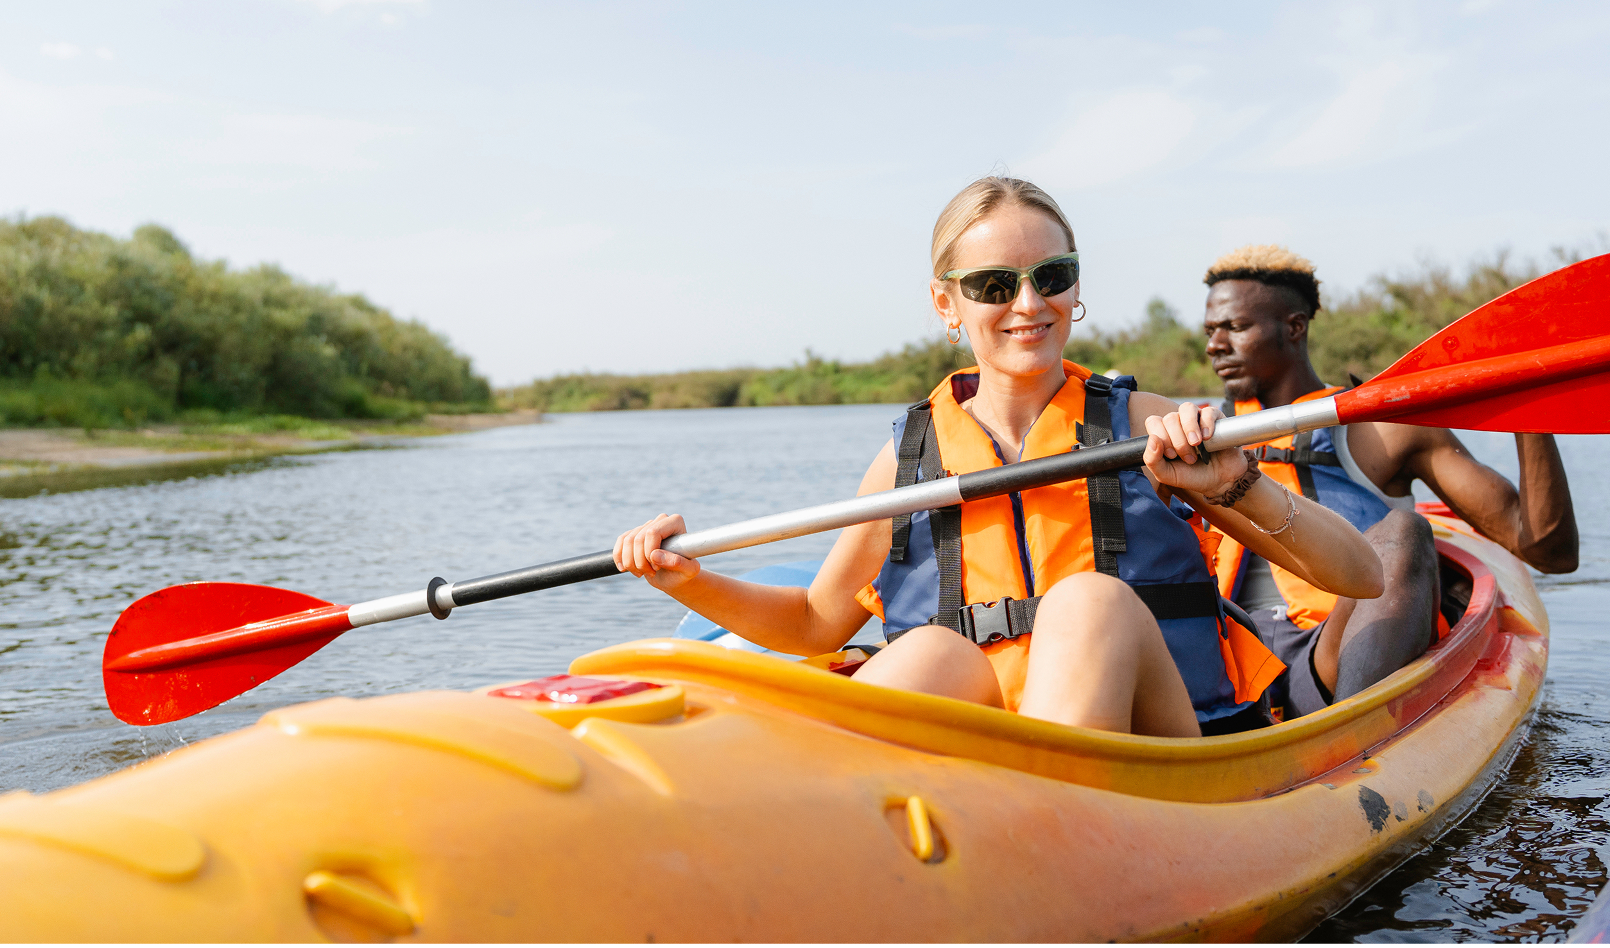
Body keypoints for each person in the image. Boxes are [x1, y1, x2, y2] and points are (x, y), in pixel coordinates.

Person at [614, 179, 1383, 738]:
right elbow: (818, 622)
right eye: (992, 284)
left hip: (1163, 758)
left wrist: (1236, 482)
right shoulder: (911, 459)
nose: (1028, 304)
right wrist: (690, 580)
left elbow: (1360, 576)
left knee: (1088, 603)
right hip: (991, 756)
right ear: (947, 305)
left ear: (1074, 286)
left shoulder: (1151, 427)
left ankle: (1051, 844)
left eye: (1051, 276)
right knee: (931, 655)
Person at [1202, 245, 1579, 719]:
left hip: (1336, 648)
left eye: (1234, 328)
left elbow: (1551, 552)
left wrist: (1532, 404)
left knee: (1406, 531)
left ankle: (1352, 741)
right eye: (1210, 331)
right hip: (1227, 658)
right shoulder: (1198, 434)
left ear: (1294, 327)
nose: (1215, 345)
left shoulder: (1383, 431)